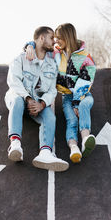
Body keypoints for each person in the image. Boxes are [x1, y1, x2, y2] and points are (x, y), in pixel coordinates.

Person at [25, 23, 96, 163]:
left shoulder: (85, 57)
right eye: (55, 39)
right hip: (66, 97)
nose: (56, 41)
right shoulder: (55, 53)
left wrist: (77, 101)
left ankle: (86, 138)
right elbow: (41, 45)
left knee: (83, 106)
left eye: (58, 38)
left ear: (67, 37)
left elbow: (85, 81)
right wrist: (30, 45)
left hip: (83, 95)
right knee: (71, 120)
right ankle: (74, 148)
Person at [4, 26, 69, 172]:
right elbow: (14, 82)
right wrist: (27, 98)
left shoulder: (52, 64)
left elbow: (52, 90)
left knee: (50, 117)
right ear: (41, 38)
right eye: (51, 38)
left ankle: (45, 153)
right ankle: (15, 145)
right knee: (18, 101)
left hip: (37, 103)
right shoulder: (20, 58)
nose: (54, 42)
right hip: (20, 99)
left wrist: (42, 104)